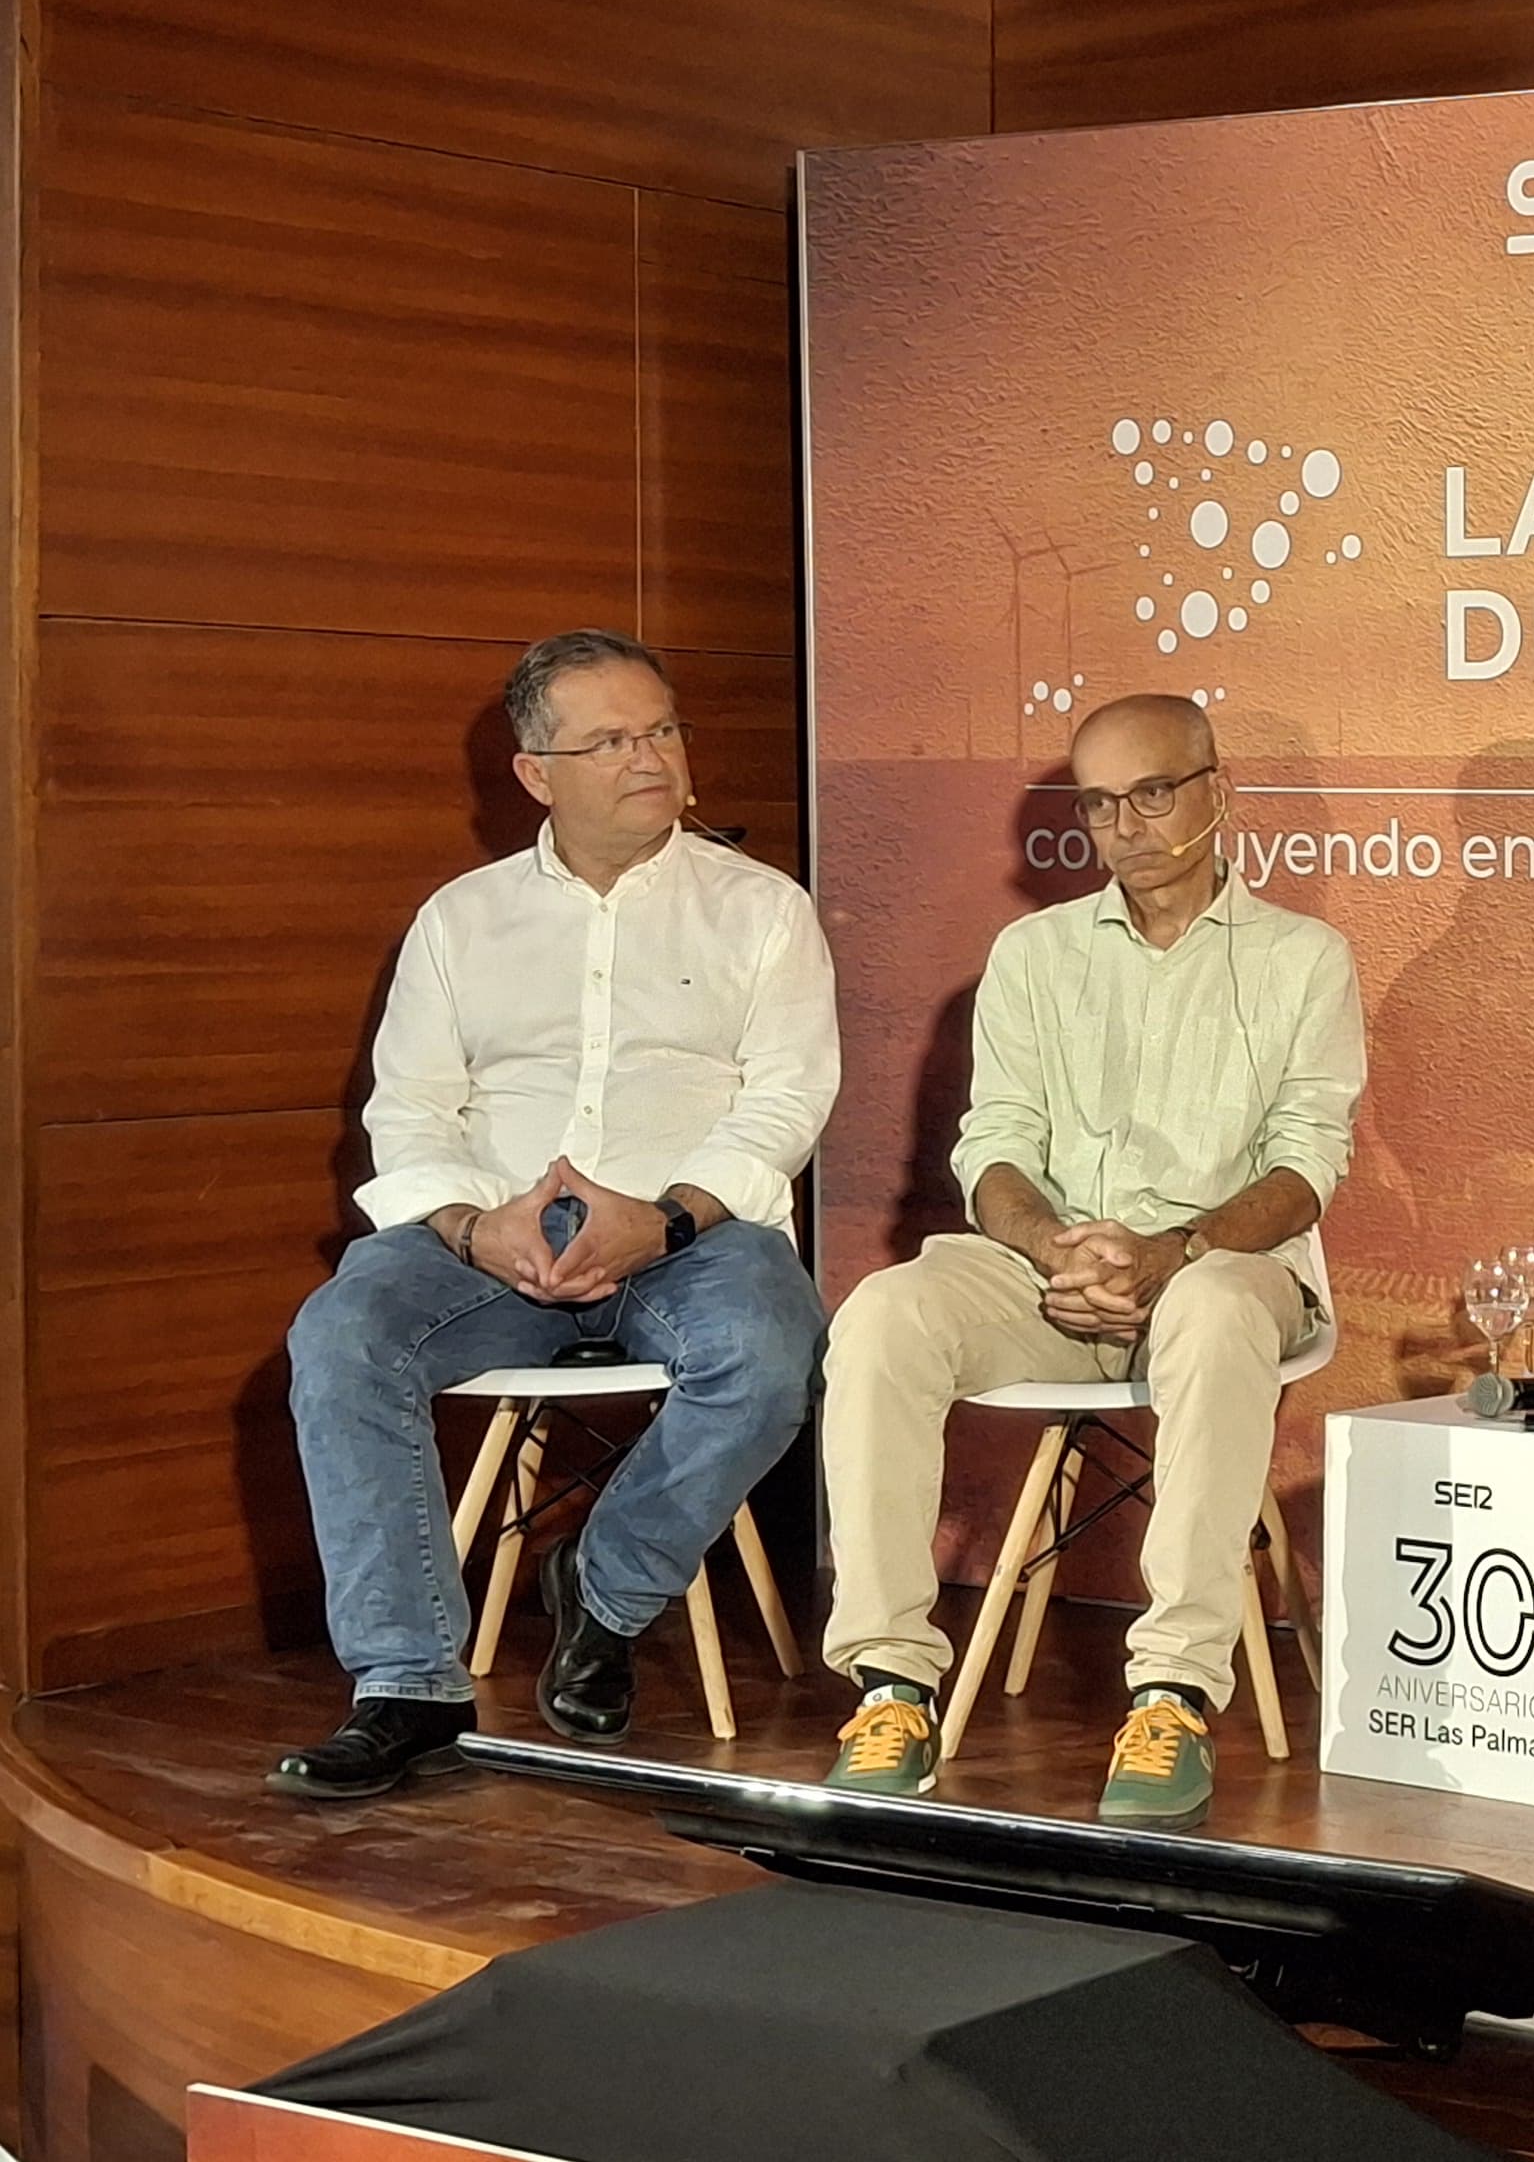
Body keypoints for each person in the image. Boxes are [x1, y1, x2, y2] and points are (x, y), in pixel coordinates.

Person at [273, 630, 837, 1799]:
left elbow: (787, 1102)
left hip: (697, 1235)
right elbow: (411, 1110)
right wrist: (476, 1227)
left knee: (771, 1349)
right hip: (488, 1239)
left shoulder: (761, 909)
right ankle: (406, 1682)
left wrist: (668, 1219)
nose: (653, 756)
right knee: (342, 1335)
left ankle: (608, 1583)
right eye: (615, 739)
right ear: (538, 771)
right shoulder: (461, 920)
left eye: (664, 729)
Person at [817, 692, 1362, 1831]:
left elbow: (1307, 1166)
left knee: (1212, 1309)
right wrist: (1055, 1244)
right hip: (1051, 1268)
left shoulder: (1303, 958)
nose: (1127, 824)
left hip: (1223, 1266)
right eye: (1103, 802)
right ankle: (890, 1680)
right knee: (883, 1312)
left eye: (1155, 792)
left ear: (1220, 789)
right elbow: (995, 1145)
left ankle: (1170, 1689)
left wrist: (1173, 1250)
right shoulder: (1033, 952)